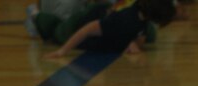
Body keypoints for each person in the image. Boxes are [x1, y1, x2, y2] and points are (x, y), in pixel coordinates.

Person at [28, 0, 176, 56]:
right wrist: (63, 50)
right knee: (57, 32)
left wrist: (133, 44)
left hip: (101, 14)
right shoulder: (123, 20)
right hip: (79, 25)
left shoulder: (141, 16)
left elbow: (140, 38)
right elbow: (86, 29)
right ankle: (36, 15)